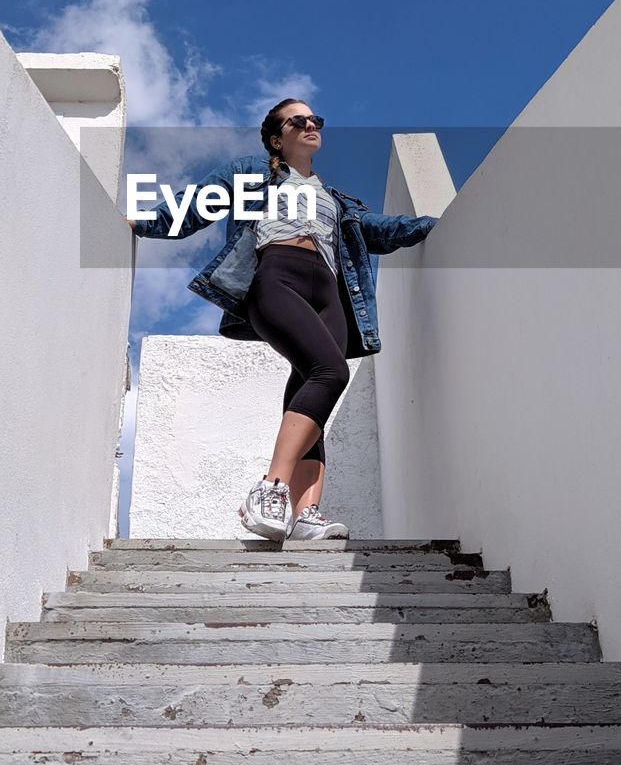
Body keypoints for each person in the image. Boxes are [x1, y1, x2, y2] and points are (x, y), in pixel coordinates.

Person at [129, 99, 438, 541]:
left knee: (313, 391)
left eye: (317, 119)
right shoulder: (253, 171)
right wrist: (140, 222)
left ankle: (306, 513)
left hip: (329, 293)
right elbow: (195, 205)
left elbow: (382, 231)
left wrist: (432, 224)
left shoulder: (336, 199)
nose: (312, 124)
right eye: (300, 120)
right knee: (329, 372)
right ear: (278, 137)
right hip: (278, 276)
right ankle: (270, 487)